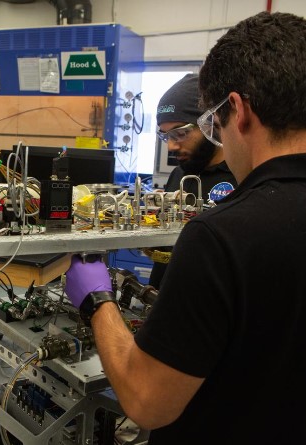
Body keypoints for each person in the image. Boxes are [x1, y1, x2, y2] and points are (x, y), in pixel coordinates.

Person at [65, 11, 306, 444]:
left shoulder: (224, 234)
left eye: (215, 123)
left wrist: (97, 301)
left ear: (238, 110)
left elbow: (146, 402)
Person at [147, 73, 237, 288]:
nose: (171, 147)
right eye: (166, 136)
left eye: (180, 134)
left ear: (209, 124)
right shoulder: (180, 174)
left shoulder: (239, 176)